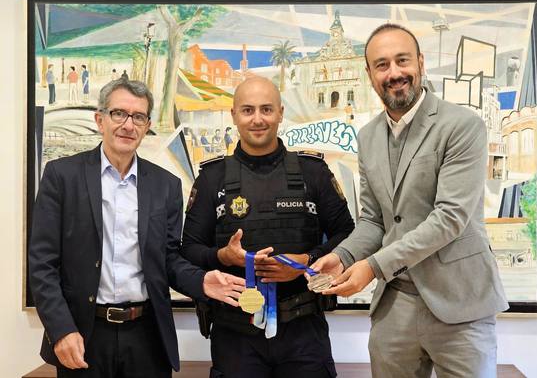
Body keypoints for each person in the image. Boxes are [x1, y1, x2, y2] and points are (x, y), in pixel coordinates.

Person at [313, 24, 509, 377]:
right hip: (395, 306)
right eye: (382, 65)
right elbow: (374, 220)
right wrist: (342, 256)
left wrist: (372, 267)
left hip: (461, 304)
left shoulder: (462, 126)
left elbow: (449, 218)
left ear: (420, 62)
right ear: (370, 74)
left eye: (402, 60)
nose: (394, 73)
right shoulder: (368, 136)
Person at [28, 78, 245, 378]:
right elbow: (42, 264)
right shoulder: (62, 176)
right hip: (83, 334)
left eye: (138, 117)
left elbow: (169, 260)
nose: (128, 125)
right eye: (119, 113)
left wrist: (202, 281)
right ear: (100, 119)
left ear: (147, 125)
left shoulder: (166, 186)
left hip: (147, 337)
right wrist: (61, 329)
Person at [181, 76, 355, 377]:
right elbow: (188, 251)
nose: (258, 119)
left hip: (304, 333)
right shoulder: (211, 179)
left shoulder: (313, 172)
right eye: (248, 110)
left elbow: (348, 235)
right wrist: (224, 257)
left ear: (281, 112)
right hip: (235, 334)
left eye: (266, 109)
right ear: (234, 115)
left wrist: (308, 262)